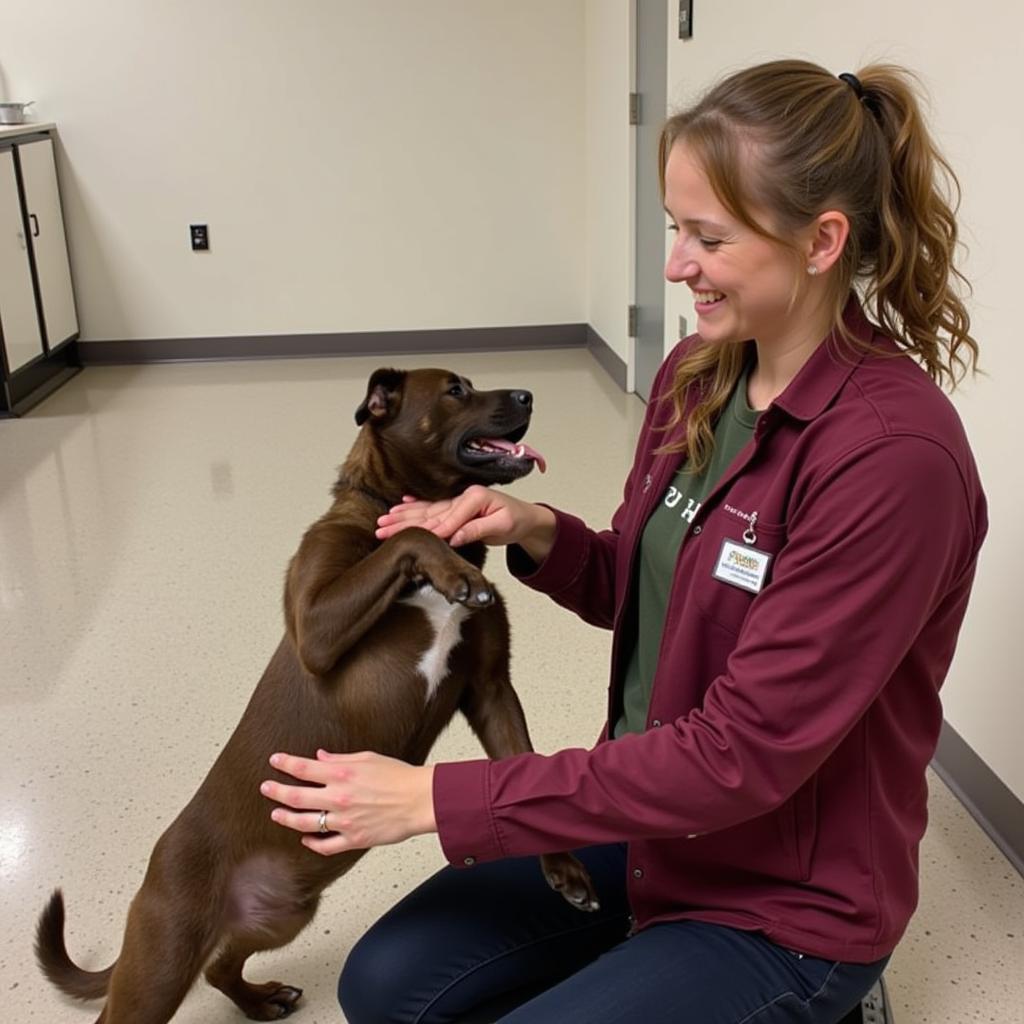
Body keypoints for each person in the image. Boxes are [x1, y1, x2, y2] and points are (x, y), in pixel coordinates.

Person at [259, 59, 986, 1023]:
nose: (675, 265)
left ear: (822, 241)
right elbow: (654, 593)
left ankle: (828, 1003)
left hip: (782, 900)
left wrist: (443, 799)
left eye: (708, 237)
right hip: (648, 826)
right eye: (674, 229)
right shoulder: (699, 373)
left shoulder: (892, 460)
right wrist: (534, 529)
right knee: (387, 989)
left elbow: (740, 757)